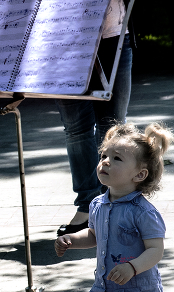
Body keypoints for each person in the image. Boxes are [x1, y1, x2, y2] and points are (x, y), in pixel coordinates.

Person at [56, 0, 151, 236]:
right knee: (76, 128)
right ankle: (87, 206)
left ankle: (114, 204)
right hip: (64, 42)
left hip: (114, 42)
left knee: (113, 128)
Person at [55, 122, 173, 292]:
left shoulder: (143, 212)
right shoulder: (97, 204)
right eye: (103, 156)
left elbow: (155, 250)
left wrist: (132, 267)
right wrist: (72, 239)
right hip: (104, 285)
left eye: (116, 158)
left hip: (137, 287)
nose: (105, 162)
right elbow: (94, 235)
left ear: (139, 174)